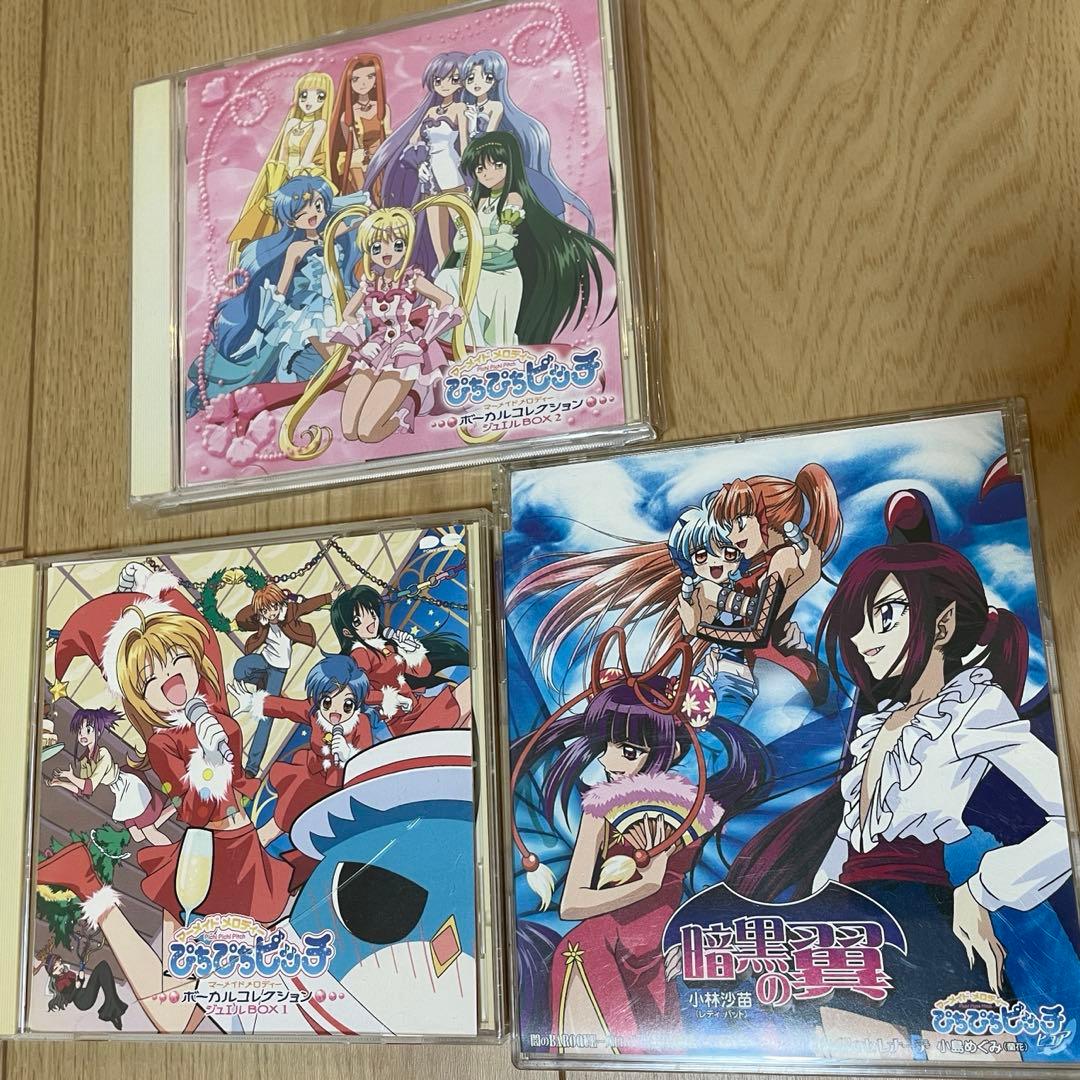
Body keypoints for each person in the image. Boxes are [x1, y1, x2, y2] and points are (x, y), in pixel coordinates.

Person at [232, 581, 342, 777]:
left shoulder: (289, 612)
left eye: (274, 607)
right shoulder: (262, 621)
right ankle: (262, 684)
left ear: (280, 603)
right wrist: (259, 604)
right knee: (240, 668)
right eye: (266, 611)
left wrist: (329, 597)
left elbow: (307, 606)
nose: (271, 613)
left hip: (278, 670)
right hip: (263, 661)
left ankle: (252, 767)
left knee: (265, 717)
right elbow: (241, 618)